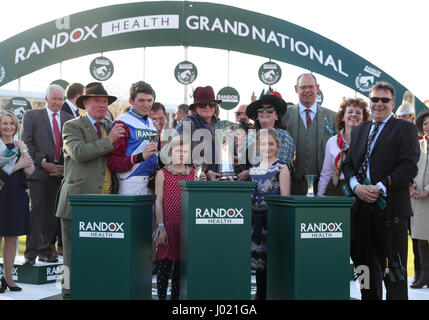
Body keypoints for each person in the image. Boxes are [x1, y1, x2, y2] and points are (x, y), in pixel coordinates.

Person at [342, 81, 420, 300]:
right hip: (361, 212)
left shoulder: (405, 129)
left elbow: (408, 166)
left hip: (391, 212)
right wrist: (356, 187)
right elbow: (348, 165)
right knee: (364, 270)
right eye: (374, 99)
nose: (379, 104)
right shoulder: (359, 131)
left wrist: (380, 187)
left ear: (393, 103)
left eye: (384, 100)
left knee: (393, 274)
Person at [55, 82, 125, 299]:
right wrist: (110, 139)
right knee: (72, 254)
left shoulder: (111, 124)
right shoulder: (72, 125)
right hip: (78, 199)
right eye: (97, 101)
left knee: (100, 251)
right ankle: (68, 292)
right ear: (85, 103)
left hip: (107, 199)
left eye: (105, 101)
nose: (103, 105)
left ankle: (95, 288)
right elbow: (78, 152)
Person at [21, 84, 73, 266]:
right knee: (36, 210)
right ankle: (30, 253)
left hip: (59, 175)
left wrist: (63, 167)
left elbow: (71, 146)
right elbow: (26, 143)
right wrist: (44, 163)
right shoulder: (32, 116)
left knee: (53, 214)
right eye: (54, 99)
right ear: (46, 99)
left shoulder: (69, 118)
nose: (57, 102)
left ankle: (45, 250)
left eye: (60, 99)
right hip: (38, 173)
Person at [154, 136, 206, 300]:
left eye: (185, 151)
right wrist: (161, 226)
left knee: (180, 270)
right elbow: (158, 202)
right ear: (170, 152)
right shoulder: (162, 174)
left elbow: (199, 201)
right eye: (178, 150)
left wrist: (202, 182)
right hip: (168, 226)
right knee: (164, 267)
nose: (181, 154)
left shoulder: (193, 174)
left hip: (186, 227)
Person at [250, 128, 290, 300]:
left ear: (277, 145)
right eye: (264, 144)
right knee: (259, 267)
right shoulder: (253, 170)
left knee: (274, 263)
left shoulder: (282, 167)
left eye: (271, 143)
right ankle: (260, 295)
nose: (268, 147)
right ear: (258, 146)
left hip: (273, 223)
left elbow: (285, 199)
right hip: (256, 224)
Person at [282, 73, 337, 195]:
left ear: (317, 88)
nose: (307, 91)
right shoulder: (284, 116)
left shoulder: (333, 117)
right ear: (296, 89)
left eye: (311, 87)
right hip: (292, 186)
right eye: (303, 87)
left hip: (324, 186)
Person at [0, 111, 34, 293]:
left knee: (12, 237)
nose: (8, 127)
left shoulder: (19, 145)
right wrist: (16, 166)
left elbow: (31, 170)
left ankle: (8, 278)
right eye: (4, 123)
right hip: (0, 194)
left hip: (16, 194)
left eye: (11, 123)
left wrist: (24, 149)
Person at [107, 81, 158, 195]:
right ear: (131, 101)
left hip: (152, 184)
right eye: (141, 100)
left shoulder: (152, 124)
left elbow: (154, 156)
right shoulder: (122, 122)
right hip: (130, 184)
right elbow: (113, 163)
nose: (146, 105)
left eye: (149, 100)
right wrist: (140, 157)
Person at [317, 98, 370, 196]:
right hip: (336, 189)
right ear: (343, 117)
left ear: (364, 119)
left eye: (358, 113)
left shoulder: (368, 141)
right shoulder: (332, 142)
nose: (354, 115)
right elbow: (326, 173)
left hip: (361, 190)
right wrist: (319, 197)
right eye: (350, 112)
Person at [175, 86, 222, 180]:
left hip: (219, 180)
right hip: (194, 181)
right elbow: (177, 153)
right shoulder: (187, 124)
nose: (207, 107)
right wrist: (206, 172)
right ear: (195, 107)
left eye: (211, 104)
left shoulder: (221, 126)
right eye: (203, 104)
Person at [246, 93, 295, 167]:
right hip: (248, 179)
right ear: (257, 115)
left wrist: (250, 172)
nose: (264, 111)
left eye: (270, 109)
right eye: (260, 109)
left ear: (277, 116)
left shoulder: (284, 136)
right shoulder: (250, 137)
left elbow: (280, 165)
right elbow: (242, 163)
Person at [409, 109, 429, 288]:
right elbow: (412, 168)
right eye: (425, 124)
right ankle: (422, 275)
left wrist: (427, 191)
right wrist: (411, 185)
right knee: (419, 238)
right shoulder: (418, 145)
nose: (427, 127)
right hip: (417, 199)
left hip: (427, 197)